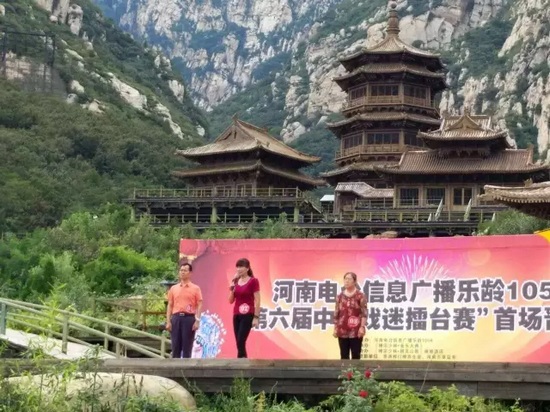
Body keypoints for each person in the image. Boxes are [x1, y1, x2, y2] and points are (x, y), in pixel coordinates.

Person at [166, 262, 203, 358]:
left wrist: (197, 321)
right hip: (176, 318)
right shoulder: (173, 288)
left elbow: (199, 304)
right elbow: (170, 305)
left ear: (190, 273)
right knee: (175, 346)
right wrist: (168, 321)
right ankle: (175, 366)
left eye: (185, 270)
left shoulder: (195, 288)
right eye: (181, 270)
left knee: (187, 347)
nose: (182, 272)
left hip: (189, 318)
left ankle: (187, 367)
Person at [228, 258, 260, 358]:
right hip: (236, 314)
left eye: (241, 266)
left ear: (247, 268)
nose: (239, 269)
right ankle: (242, 362)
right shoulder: (236, 282)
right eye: (237, 267)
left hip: (248, 314)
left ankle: (241, 363)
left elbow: (258, 300)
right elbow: (230, 301)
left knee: (241, 340)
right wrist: (232, 287)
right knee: (238, 342)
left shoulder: (253, 281)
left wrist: (256, 317)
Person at [333, 272, 367, 360]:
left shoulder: (360, 295)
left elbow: (364, 313)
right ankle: (345, 370)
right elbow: (336, 313)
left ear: (355, 281)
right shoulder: (339, 296)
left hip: (356, 331)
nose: (346, 281)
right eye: (345, 279)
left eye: (349, 279)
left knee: (356, 355)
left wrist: (362, 327)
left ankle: (355, 370)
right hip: (342, 330)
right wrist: (335, 328)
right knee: (344, 356)